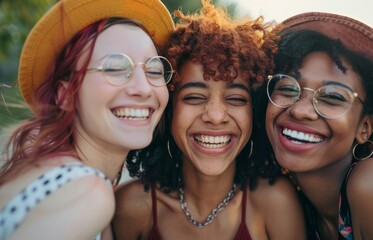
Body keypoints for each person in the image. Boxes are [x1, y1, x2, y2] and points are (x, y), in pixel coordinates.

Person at [112, 1, 307, 239]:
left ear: (254, 112)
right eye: (194, 97)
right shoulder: (130, 206)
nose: (215, 117)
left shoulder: (276, 201)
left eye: (236, 99)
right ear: (169, 110)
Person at [0, 0, 174, 239]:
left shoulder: (47, 169)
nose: (143, 89)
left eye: (154, 70)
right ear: (66, 95)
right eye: (114, 68)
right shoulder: (87, 194)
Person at [255, 12, 373, 240]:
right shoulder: (289, 204)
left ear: (364, 127)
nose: (300, 110)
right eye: (288, 88)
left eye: (332, 97)